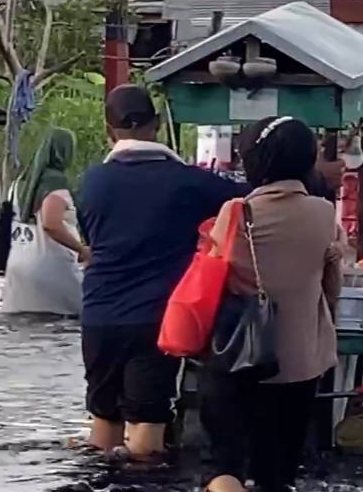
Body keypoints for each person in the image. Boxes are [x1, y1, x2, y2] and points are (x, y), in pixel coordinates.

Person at [77, 84, 245, 460]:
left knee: (103, 417)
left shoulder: (92, 182)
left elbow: (91, 237)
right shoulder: (189, 181)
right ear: (156, 126)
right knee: (147, 426)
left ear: (109, 132)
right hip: (155, 320)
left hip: (98, 316)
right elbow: (248, 201)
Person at [199, 116, 342, 492]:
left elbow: (211, 277)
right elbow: (333, 288)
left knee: (226, 469)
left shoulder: (236, 213)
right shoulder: (324, 214)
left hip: (238, 358)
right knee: (278, 478)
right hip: (299, 363)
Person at [1, 127, 85, 316]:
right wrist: (82, 250)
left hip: (18, 268)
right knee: (66, 331)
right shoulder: (55, 183)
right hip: (53, 269)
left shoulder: (19, 184)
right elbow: (50, 224)